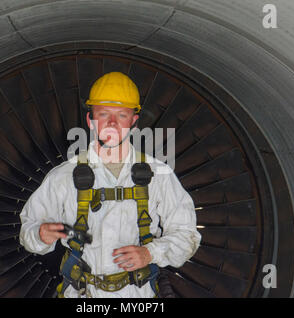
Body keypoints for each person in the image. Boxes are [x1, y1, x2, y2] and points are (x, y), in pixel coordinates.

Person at [19, 72, 201, 298]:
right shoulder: (64, 176)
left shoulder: (159, 175)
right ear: (90, 120)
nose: (112, 123)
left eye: (121, 115)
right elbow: (28, 231)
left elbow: (187, 235)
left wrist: (150, 253)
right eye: (103, 114)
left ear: (133, 122)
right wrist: (40, 234)